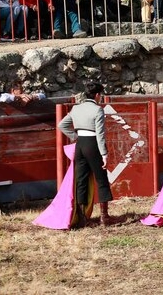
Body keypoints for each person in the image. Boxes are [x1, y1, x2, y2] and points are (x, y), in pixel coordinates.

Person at [57, 82, 114, 227]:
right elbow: (100, 135)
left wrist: (75, 136)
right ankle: (104, 217)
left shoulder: (76, 108)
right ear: (97, 95)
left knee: (81, 180)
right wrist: (104, 154)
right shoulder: (98, 110)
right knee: (101, 179)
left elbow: (61, 125)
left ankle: (82, 218)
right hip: (93, 144)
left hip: (80, 144)